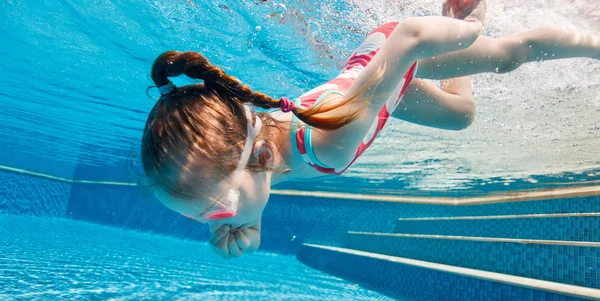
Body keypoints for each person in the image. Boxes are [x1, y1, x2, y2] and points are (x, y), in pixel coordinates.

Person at [141, 0, 599, 258]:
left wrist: (464, 33)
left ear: (259, 157)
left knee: (510, 56)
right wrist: (248, 218)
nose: (211, 224)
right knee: (461, 115)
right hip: (380, 93)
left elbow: (410, 39)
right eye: (199, 215)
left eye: (217, 213)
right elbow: (248, 188)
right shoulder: (259, 151)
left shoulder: (330, 145)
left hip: (396, 51)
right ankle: (464, 19)